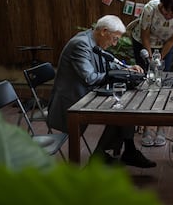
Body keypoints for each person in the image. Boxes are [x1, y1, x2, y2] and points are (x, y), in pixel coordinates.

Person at [47, 15, 156, 167]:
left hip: (89, 95)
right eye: (115, 39)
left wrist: (126, 69)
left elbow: (107, 65)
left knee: (124, 108)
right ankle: (108, 154)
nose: (114, 43)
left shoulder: (94, 40)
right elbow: (90, 78)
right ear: (104, 31)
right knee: (120, 112)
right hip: (73, 103)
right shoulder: (81, 44)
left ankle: (120, 152)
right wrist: (115, 75)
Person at [131, 0, 173, 147]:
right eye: (166, 12)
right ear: (162, 5)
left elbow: (172, 40)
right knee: (146, 84)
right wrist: (150, 59)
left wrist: (158, 60)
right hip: (143, 43)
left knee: (162, 83)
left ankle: (161, 127)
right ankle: (146, 128)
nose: (168, 16)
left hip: (165, 46)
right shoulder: (150, 8)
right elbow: (144, 35)